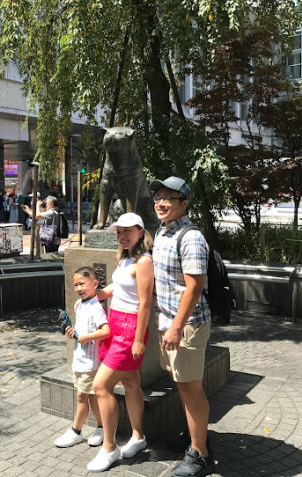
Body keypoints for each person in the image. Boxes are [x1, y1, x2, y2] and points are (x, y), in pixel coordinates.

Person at [150, 176, 215, 477]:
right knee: (182, 383)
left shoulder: (190, 237)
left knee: (191, 388)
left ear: (184, 203)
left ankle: (200, 455)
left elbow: (194, 287)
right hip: (168, 322)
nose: (161, 203)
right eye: (158, 197)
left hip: (187, 324)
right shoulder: (163, 232)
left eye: (169, 198)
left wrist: (176, 327)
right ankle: (194, 437)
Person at [88, 213, 154, 472]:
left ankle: (109, 447)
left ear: (140, 231)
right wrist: (95, 296)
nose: (122, 236)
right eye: (118, 232)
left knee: (100, 385)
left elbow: (145, 303)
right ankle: (138, 436)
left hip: (129, 327)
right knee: (131, 383)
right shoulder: (125, 258)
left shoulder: (144, 261)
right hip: (115, 322)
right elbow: (118, 288)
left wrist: (138, 339)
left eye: (127, 231)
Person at [54, 267, 110, 449]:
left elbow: (106, 331)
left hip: (90, 363)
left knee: (81, 397)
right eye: (76, 285)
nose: (78, 288)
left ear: (95, 284)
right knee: (91, 397)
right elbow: (81, 331)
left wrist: (87, 337)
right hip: (80, 360)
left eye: (82, 284)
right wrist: (73, 333)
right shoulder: (79, 305)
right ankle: (101, 428)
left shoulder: (96, 308)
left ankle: (76, 431)